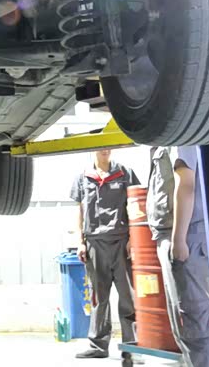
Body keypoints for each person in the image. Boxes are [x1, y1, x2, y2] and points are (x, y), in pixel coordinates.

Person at [146, 146, 209, 367]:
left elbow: (186, 184)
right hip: (173, 235)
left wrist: (179, 239)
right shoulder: (165, 140)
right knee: (184, 326)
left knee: (197, 327)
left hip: (186, 237)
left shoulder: (180, 136)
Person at [70, 149, 140, 364]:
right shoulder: (82, 177)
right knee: (99, 298)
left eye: (108, 145)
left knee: (128, 296)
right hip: (94, 243)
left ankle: (132, 348)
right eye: (100, 145)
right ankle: (98, 346)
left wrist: (134, 238)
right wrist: (79, 242)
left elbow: (136, 205)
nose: (104, 149)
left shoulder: (125, 173)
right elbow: (78, 211)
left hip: (121, 242)